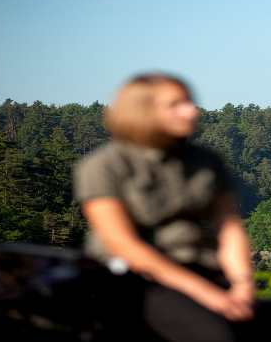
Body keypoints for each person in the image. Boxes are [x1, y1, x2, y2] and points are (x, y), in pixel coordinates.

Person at [74, 73, 255, 341]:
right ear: (142, 111)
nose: (192, 111)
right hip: (134, 281)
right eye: (176, 104)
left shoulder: (206, 162)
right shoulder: (105, 166)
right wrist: (206, 294)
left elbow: (228, 228)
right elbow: (122, 244)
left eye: (190, 102)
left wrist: (242, 284)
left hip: (203, 271)